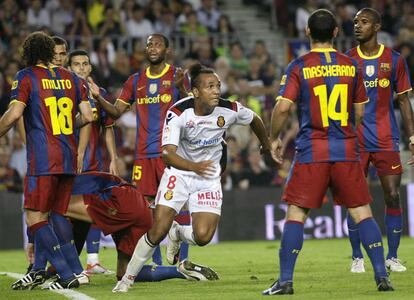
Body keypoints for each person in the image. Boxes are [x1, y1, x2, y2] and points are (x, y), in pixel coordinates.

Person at [262, 9, 393, 296]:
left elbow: (283, 107)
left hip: (312, 150)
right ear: (336, 32)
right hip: (346, 149)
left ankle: (285, 281)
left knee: (296, 213)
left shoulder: (299, 65)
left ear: (307, 32)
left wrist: (274, 138)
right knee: (362, 212)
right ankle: (382, 276)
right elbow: (359, 112)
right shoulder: (351, 65)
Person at [112, 63, 272, 293]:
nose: (217, 91)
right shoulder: (178, 112)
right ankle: (126, 279)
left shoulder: (229, 109)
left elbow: (255, 118)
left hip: (207, 177)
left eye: (217, 86)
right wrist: (194, 166)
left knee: (204, 236)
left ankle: (178, 232)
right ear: (195, 92)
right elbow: (167, 154)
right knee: (157, 231)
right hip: (180, 172)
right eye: (210, 87)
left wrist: (265, 145)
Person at [0, 31, 93, 290]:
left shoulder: (26, 76)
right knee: (55, 214)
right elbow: (87, 116)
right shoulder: (73, 79)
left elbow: (15, 112)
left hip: (43, 157)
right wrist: (62, 129)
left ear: (30, 52)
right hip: (68, 155)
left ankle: (65, 273)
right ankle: (43, 270)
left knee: (34, 216)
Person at [91, 33, 190, 266]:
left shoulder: (177, 76)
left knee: (178, 202)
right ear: (145, 50)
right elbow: (116, 112)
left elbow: (193, 110)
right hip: (144, 155)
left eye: (158, 44)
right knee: (146, 208)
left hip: (170, 152)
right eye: (149, 44)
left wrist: (182, 90)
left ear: (167, 49)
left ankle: (183, 260)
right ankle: (153, 260)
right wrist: (97, 97)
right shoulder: (135, 81)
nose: (153, 48)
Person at [345, 7, 414, 274]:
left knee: (393, 196)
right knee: (355, 199)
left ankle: (392, 256)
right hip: (356, 141)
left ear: (376, 27)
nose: (357, 26)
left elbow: (403, 100)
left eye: (363, 22)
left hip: (386, 138)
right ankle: (356, 257)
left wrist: (411, 135)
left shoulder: (394, 60)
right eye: (354, 22)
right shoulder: (348, 60)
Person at [66, 171, 219, 283]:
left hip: (125, 204)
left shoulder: (63, 184)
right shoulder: (79, 178)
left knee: (60, 208)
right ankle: (181, 270)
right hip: (133, 203)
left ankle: (59, 271)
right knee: (124, 273)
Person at [68, 49, 118, 275]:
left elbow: (107, 128)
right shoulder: (64, 92)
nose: (80, 68)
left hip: (94, 163)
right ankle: (63, 261)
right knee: (70, 213)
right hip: (68, 163)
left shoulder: (100, 93)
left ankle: (93, 261)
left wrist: (113, 158)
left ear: (90, 67)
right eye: (76, 64)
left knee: (94, 210)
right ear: (69, 68)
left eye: (84, 64)